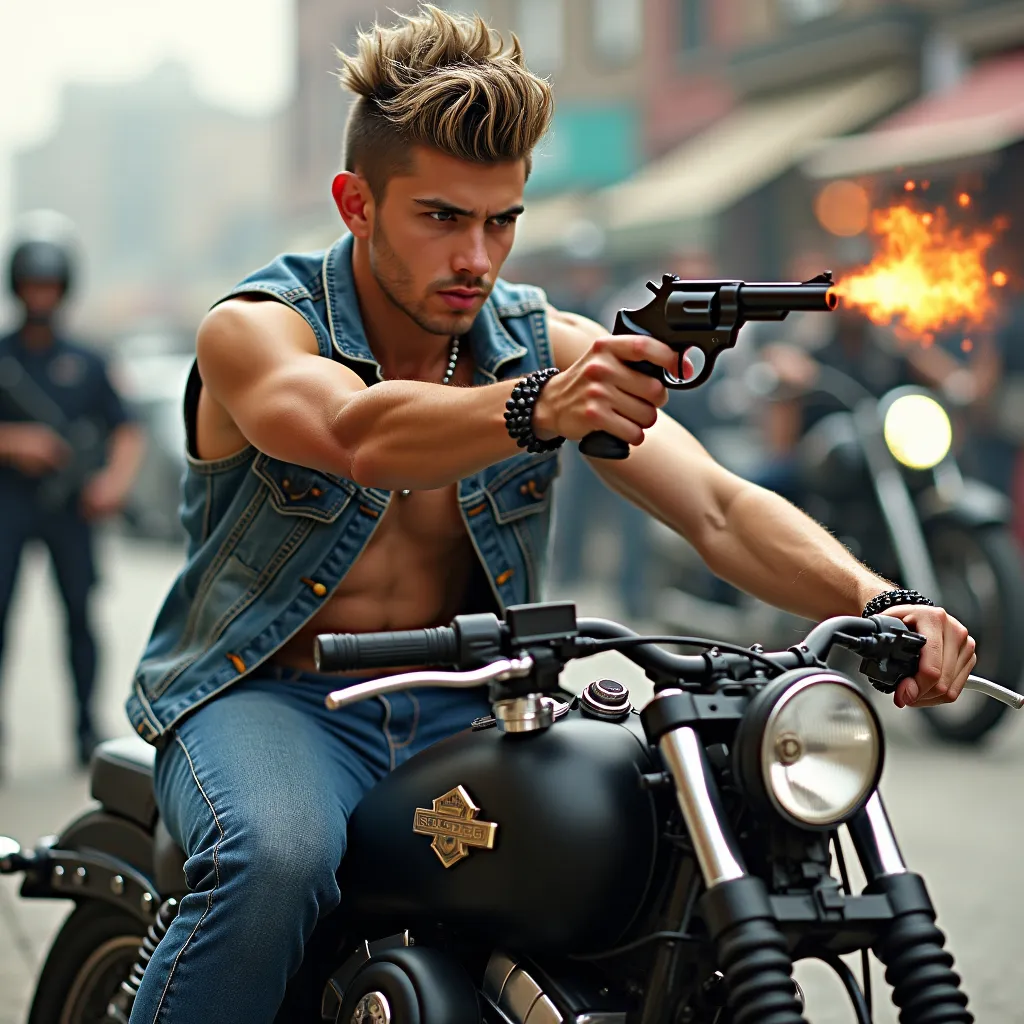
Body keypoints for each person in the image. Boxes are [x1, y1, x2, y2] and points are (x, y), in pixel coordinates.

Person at [125, 9, 977, 1022]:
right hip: (273, 700)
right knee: (277, 855)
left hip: (471, 702)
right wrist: (537, 407)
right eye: (440, 217)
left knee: (649, 838)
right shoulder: (255, 331)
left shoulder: (547, 343)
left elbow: (714, 506)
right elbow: (355, 432)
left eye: (501, 221)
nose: (477, 257)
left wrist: (886, 599)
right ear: (355, 202)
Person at [0, 217, 145, 770]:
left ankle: (85, 729)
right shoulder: (4, 357)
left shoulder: (88, 359)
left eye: (50, 284)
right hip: (9, 504)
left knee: (81, 618)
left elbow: (126, 427)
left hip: (71, 509)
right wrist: (15, 441)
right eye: (32, 284)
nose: (41, 295)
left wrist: (113, 482)